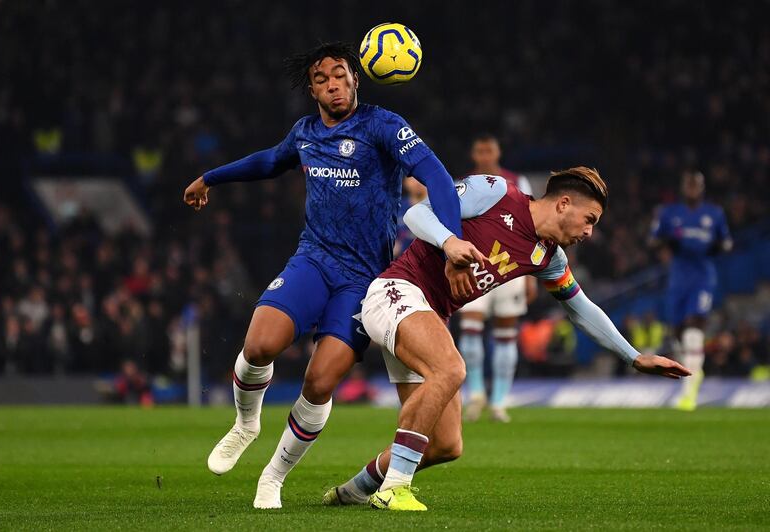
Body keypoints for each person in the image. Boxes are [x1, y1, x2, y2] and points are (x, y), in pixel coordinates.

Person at [182, 42, 482, 509]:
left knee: (320, 381)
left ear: (356, 79)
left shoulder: (383, 125)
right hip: (315, 259)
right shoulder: (304, 132)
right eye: (322, 79)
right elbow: (268, 162)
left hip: (364, 280)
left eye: (340, 75)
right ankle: (245, 424)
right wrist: (211, 177)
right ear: (312, 89)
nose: (333, 85)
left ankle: (273, 477)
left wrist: (450, 244)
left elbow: (437, 176)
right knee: (260, 344)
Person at [325, 167, 691, 511]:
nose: (589, 232)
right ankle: (393, 490)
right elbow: (418, 214)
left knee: (445, 445)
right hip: (396, 291)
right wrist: (450, 244)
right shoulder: (496, 192)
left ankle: (353, 491)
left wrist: (633, 356)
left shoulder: (548, 256)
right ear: (564, 204)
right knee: (451, 368)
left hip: (429, 315)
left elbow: (581, 308)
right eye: (589, 220)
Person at [456, 134, 537, 422]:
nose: (485, 155)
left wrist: (531, 275)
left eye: (489, 150)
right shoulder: (464, 184)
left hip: (510, 266)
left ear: (498, 152)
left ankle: (499, 400)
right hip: (475, 264)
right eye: (480, 150)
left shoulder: (518, 182)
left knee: (506, 332)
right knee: (470, 327)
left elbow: (531, 229)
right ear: (473, 153)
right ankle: (476, 394)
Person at [650, 170, 731, 411]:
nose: (693, 188)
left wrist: (717, 246)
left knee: (694, 329)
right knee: (679, 334)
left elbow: (726, 242)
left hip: (703, 278)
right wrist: (666, 241)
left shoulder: (714, 214)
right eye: (689, 185)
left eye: (697, 184)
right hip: (678, 279)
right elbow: (653, 240)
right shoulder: (670, 213)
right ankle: (694, 369)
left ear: (703, 187)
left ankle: (689, 393)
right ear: (683, 188)